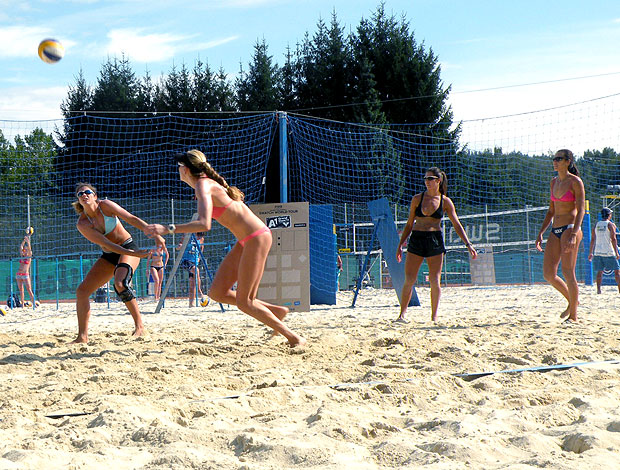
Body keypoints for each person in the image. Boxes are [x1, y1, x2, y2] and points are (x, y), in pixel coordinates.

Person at [144, 149, 306, 348]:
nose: (177, 170)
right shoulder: (207, 184)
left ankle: (294, 338)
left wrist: (167, 229)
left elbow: (204, 224)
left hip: (257, 238)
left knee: (245, 302)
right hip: (247, 240)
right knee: (217, 293)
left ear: (185, 169)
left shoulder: (203, 185)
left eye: (179, 166)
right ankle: (277, 311)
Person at [71, 182, 164, 343]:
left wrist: (155, 234)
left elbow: (131, 218)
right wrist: (134, 254)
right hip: (110, 253)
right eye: (80, 194)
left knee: (120, 283)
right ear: (78, 200)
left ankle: (139, 327)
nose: (84, 195)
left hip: (127, 245)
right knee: (82, 291)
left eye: (87, 192)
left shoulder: (105, 206)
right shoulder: (83, 223)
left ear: (95, 196)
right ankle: (82, 337)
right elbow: (107, 245)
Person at [394, 167, 477, 323]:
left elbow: (456, 224)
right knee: (409, 279)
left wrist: (468, 244)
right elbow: (409, 224)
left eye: (430, 179)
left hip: (434, 240)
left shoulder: (445, 201)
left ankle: (434, 317)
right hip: (417, 239)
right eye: (425, 179)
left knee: (434, 279)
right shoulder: (417, 199)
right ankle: (402, 315)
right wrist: (400, 244)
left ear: (438, 181)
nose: (427, 182)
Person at [535, 149, 585, 323]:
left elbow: (581, 210)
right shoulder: (553, 182)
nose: (555, 161)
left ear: (568, 161)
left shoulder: (575, 182)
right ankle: (573, 301)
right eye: (554, 159)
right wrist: (541, 232)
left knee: (568, 272)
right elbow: (551, 211)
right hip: (555, 229)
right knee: (549, 274)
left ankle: (574, 316)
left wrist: (573, 233)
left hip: (570, 228)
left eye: (558, 159)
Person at [588, 207, 620, 294]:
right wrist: (616, 252)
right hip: (609, 251)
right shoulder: (610, 224)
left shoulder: (596, 224)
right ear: (609, 215)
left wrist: (591, 252)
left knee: (600, 271)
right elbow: (613, 239)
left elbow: (593, 239)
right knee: (617, 271)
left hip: (598, 251)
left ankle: (598, 290)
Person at [178, 232, 207, 307]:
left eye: (201, 236)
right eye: (198, 236)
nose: (199, 238)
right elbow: (180, 244)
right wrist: (179, 246)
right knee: (196, 270)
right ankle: (200, 292)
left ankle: (191, 303)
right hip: (186, 260)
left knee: (192, 283)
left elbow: (202, 248)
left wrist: (199, 258)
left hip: (194, 261)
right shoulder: (187, 236)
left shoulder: (201, 239)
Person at [16, 234, 37, 308]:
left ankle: (34, 303)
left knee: (29, 289)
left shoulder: (29, 257)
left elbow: (30, 250)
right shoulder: (22, 256)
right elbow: (20, 247)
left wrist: (28, 242)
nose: (24, 251)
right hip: (19, 274)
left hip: (25, 274)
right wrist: (24, 241)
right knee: (21, 290)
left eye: (25, 250)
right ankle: (22, 305)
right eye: (24, 251)